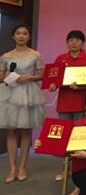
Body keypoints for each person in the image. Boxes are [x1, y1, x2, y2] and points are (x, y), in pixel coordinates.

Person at [0, 25, 45, 183]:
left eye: (25, 33)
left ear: (29, 37)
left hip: (28, 93)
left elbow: (41, 74)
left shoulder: (35, 54)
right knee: (11, 130)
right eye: (18, 33)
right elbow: (0, 77)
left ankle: (22, 167)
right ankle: (12, 168)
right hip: (9, 92)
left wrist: (28, 78)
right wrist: (7, 75)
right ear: (13, 36)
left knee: (26, 130)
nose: (21, 36)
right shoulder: (6, 56)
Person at [50, 30, 86, 121]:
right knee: (65, 129)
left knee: (79, 129)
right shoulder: (60, 58)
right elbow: (55, 78)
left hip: (81, 102)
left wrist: (80, 87)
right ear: (67, 43)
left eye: (77, 40)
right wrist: (53, 86)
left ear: (83, 43)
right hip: (64, 103)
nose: (74, 43)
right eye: (71, 40)